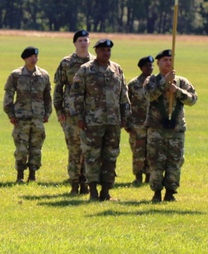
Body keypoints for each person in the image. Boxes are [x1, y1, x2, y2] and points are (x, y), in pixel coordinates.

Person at [69, 39, 132, 201]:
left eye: (108, 50)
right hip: (92, 122)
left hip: (113, 122)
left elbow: (123, 96)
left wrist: (125, 116)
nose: (106, 52)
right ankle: (93, 191)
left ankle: (106, 191)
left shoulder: (116, 69)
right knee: (92, 156)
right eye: (103, 50)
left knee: (110, 156)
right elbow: (75, 96)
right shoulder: (85, 70)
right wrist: (78, 117)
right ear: (96, 51)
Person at [143, 49, 198, 203]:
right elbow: (149, 95)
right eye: (165, 60)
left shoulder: (181, 81)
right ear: (158, 63)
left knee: (175, 161)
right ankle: (156, 192)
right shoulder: (152, 80)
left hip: (176, 129)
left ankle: (171, 192)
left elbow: (193, 99)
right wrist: (164, 83)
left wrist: (177, 91)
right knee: (156, 161)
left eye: (170, 59)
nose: (168, 62)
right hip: (156, 129)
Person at [2, 46, 52, 183]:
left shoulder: (43, 75)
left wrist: (47, 113)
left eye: (35, 56)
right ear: (25, 58)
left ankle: (32, 175)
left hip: (37, 118)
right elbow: (8, 96)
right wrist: (11, 114)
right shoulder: (16, 75)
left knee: (36, 148)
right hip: (21, 118)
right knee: (21, 149)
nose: (33, 59)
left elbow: (47, 97)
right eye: (30, 56)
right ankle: (19, 175)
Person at [53, 29, 93, 195]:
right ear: (75, 43)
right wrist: (59, 110)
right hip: (71, 114)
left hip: (92, 114)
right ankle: (74, 184)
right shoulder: (67, 63)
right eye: (80, 40)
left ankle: (86, 183)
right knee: (75, 150)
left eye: (85, 40)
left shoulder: (95, 62)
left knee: (89, 150)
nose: (83, 43)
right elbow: (58, 88)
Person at [127, 55, 155, 186]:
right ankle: (138, 176)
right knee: (138, 151)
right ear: (141, 68)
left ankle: (149, 176)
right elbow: (127, 103)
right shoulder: (133, 84)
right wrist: (127, 123)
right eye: (147, 66)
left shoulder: (156, 82)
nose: (150, 68)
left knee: (151, 151)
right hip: (137, 124)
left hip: (152, 123)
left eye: (151, 65)